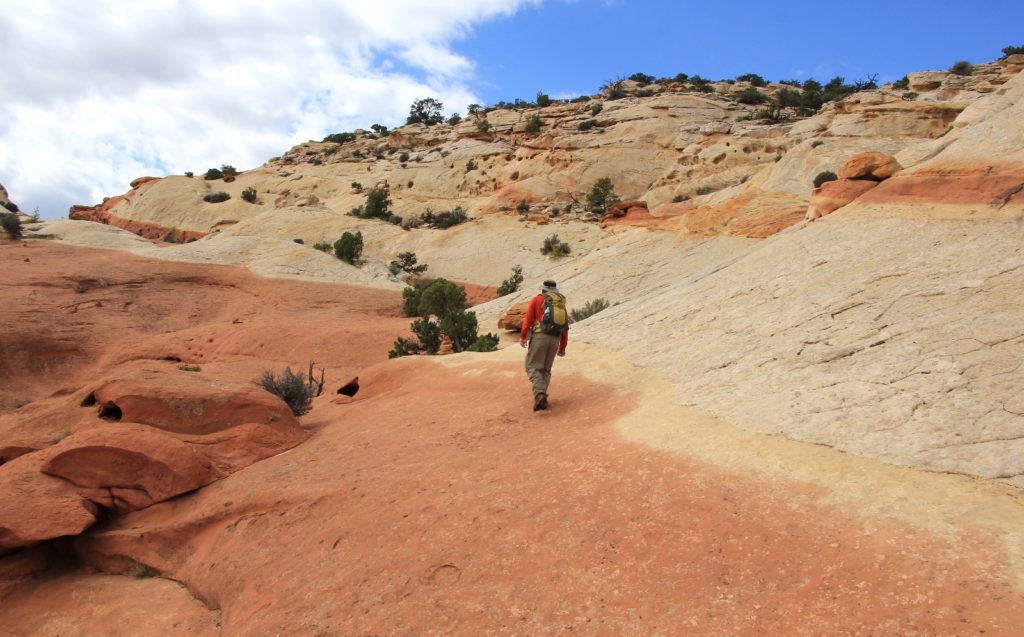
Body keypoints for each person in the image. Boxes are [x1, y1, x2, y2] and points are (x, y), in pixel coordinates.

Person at [520, 280, 569, 411]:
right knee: (546, 369)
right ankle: (542, 399)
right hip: (555, 339)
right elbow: (565, 326)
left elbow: (528, 319)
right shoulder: (560, 304)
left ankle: (540, 394)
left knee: (532, 366)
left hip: (540, 336)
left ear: (543, 290)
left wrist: (523, 336)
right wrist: (562, 347)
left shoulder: (537, 300)